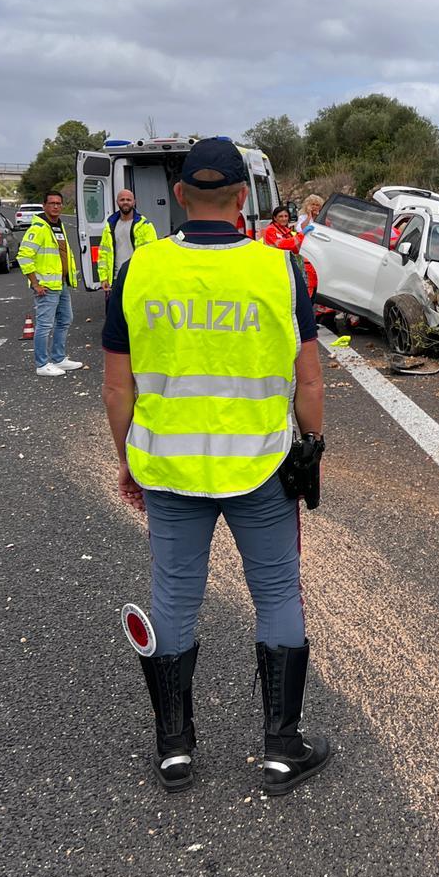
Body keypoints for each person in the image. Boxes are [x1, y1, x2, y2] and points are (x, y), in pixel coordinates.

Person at [101, 139, 330, 797]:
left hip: (170, 471)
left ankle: (175, 749)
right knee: (279, 596)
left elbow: (118, 390)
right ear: (241, 198)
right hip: (261, 467)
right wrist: (310, 448)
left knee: (174, 597)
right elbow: (308, 383)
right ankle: (282, 749)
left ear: (178, 196)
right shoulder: (280, 270)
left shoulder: (138, 271)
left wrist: (128, 460)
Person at [19, 191, 83, 378]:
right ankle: (41, 364)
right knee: (45, 325)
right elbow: (24, 256)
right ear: (44, 206)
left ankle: (59, 358)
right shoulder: (39, 228)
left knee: (65, 320)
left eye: (59, 203)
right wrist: (35, 284)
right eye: (52, 203)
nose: (56, 206)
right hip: (46, 287)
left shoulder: (57, 226)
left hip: (61, 284)